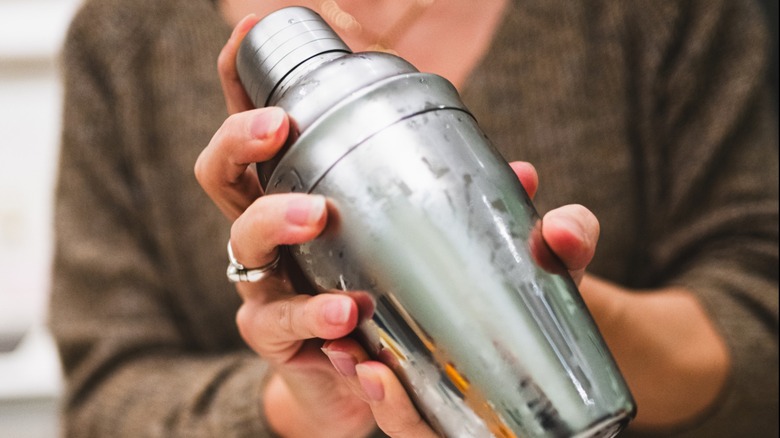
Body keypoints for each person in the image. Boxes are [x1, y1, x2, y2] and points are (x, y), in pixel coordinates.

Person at [50, 0, 778, 437]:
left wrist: (530, 305)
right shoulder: (124, 39)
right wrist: (300, 405)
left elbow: (761, 325)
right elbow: (105, 402)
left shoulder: (653, 15)